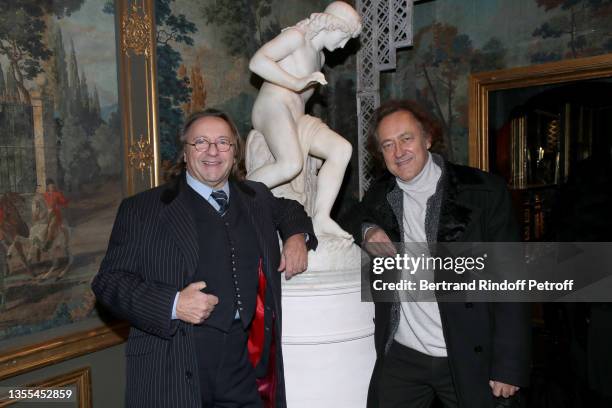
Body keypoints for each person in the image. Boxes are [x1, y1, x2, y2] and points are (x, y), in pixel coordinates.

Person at [92, 109, 317, 408]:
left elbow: (289, 210)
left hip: (244, 364)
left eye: (223, 142)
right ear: (185, 153)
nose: (212, 151)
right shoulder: (143, 209)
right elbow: (108, 283)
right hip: (172, 365)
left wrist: (296, 236)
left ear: (235, 153)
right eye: (200, 142)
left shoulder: (256, 197)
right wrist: (173, 304)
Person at [349, 100, 531, 408]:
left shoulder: (484, 192)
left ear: (428, 139)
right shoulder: (381, 195)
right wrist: (367, 230)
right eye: (387, 145)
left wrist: (508, 364)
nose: (399, 152)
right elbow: (349, 214)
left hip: (465, 352)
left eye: (406, 139)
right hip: (403, 354)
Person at [247, 1, 361, 240]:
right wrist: (297, 83)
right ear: (331, 25)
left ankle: (320, 218)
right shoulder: (296, 37)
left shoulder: (319, 58)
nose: (342, 46)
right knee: (290, 164)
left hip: (296, 117)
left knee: (341, 149)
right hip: (272, 106)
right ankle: (235, 199)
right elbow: (257, 62)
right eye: (343, 38)